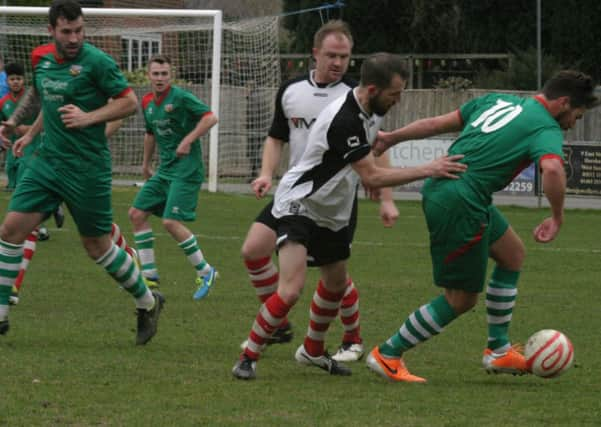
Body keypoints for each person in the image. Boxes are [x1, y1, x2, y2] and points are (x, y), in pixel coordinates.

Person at [232, 52, 467, 380]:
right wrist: (430, 168)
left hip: (334, 209)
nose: (397, 102)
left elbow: (369, 159)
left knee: (336, 281)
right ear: (372, 90)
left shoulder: (368, 106)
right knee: (292, 288)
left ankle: (313, 350)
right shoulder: (346, 119)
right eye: (394, 95)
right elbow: (370, 176)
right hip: (301, 202)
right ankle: (248, 357)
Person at [365, 69, 598, 383]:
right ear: (564, 103)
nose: (573, 124)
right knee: (461, 299)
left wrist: (392, 137)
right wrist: (557, 217)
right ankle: (389, 353)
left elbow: (435, 124)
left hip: (456, 192)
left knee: (512, 254)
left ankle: (498, 351)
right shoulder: (546, 126)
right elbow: (553, 169)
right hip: (461, 201)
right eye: (578, 116)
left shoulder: (498, 101)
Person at [0, 0, 163, 344]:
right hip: (47, 162)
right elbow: (49, 101)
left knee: (96, 246)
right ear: (52, 31)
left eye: (79, 30)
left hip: (87, 168)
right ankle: (1, 313)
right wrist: (30, 134)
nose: (74, 38)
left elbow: (129, 102)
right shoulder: (40, 59)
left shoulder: (98, 63)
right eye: (66, 32)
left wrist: (88, 117)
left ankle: (147, 301)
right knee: (11, 230)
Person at [240, 20, 400, 363]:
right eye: (331, 55)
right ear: (315, 53)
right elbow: (276, 136)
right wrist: (266, 173)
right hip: (295, 193)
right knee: (254, 250)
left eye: (344, 56)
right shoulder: (291, 90)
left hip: (335, 199)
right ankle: (278, 323)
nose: (338, 62)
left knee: (335, 275)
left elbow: (377, 146)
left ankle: (351, 337)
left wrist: (386, 199)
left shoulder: (361, 95)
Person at [128, 54, 219, 300]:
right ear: (149, 75)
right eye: (155, 74)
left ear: (171, 75)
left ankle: (206, 271)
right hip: (164, 170)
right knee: (136, 214)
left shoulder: (181, 97)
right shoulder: (147, 101)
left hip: (186, 170)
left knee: (170, 222)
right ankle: (150, 276)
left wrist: (188, 140)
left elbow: (211, 117)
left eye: (164, 74)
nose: (159, 78)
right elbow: (150, 134)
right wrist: (146, 165)